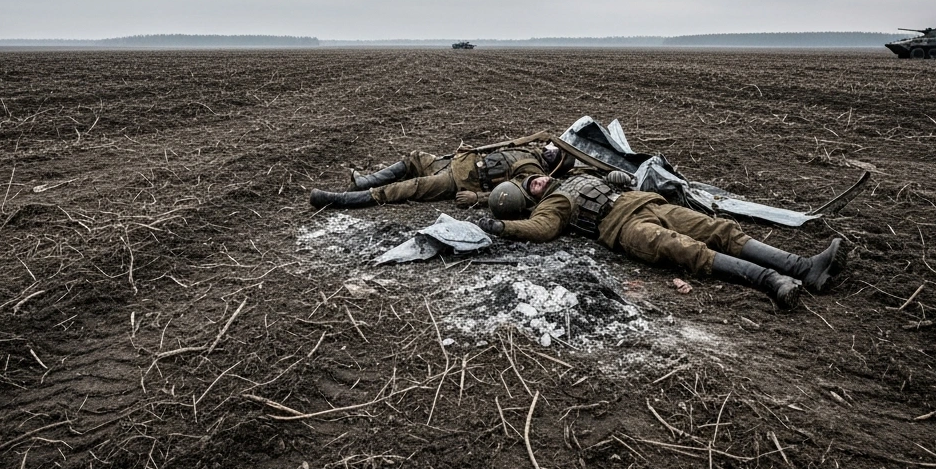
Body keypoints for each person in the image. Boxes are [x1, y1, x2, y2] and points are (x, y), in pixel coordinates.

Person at [478, 173, 845, 310]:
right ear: (528, 200)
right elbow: (541, 230)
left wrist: (616, 178)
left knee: (720, 229)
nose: (536, 183)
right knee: (689, 251)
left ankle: (804, 267)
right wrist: (503, 228)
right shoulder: (552, 206)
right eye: (529, 188)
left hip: (644, 203)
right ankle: (773, 281)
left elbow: (611, 181)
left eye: (533, 180)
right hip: (622, 229)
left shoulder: (574, 176)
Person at [309, 143, 577, 210]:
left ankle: (348, 199)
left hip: (459, 181)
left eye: (556, 153)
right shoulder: (530, 148)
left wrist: (477, 198)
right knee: (414, 158)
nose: (550, 150)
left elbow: (518, 194)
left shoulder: (534, 170)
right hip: (453, 163)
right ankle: (365, 181)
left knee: (411, 187)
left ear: (558, 165)